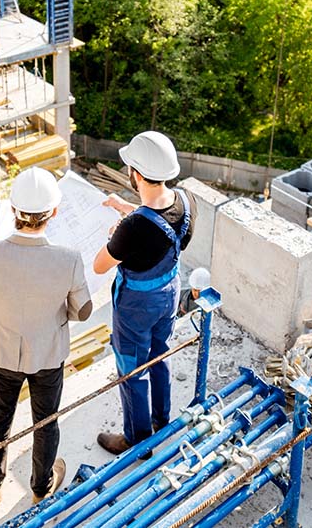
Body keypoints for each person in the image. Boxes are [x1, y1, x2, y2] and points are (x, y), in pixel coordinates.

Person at [0, 168, 92, 505]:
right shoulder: (69, 259)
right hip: (48, 354)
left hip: (1, 354)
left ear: (13, 211)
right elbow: (84, 311)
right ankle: (40, 488)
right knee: (46, 423)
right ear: (54, 213)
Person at [92, 131, 195, 455]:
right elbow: (157, 221)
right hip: (168, 295)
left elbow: (99, 265)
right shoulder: (185, 203)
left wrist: (116, 233)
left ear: (135, 174)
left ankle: (137, 439)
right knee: (158, 354)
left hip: (136, 306)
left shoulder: (133, 227)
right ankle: (161, 421)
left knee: (132, 368)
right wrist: (128, 209)